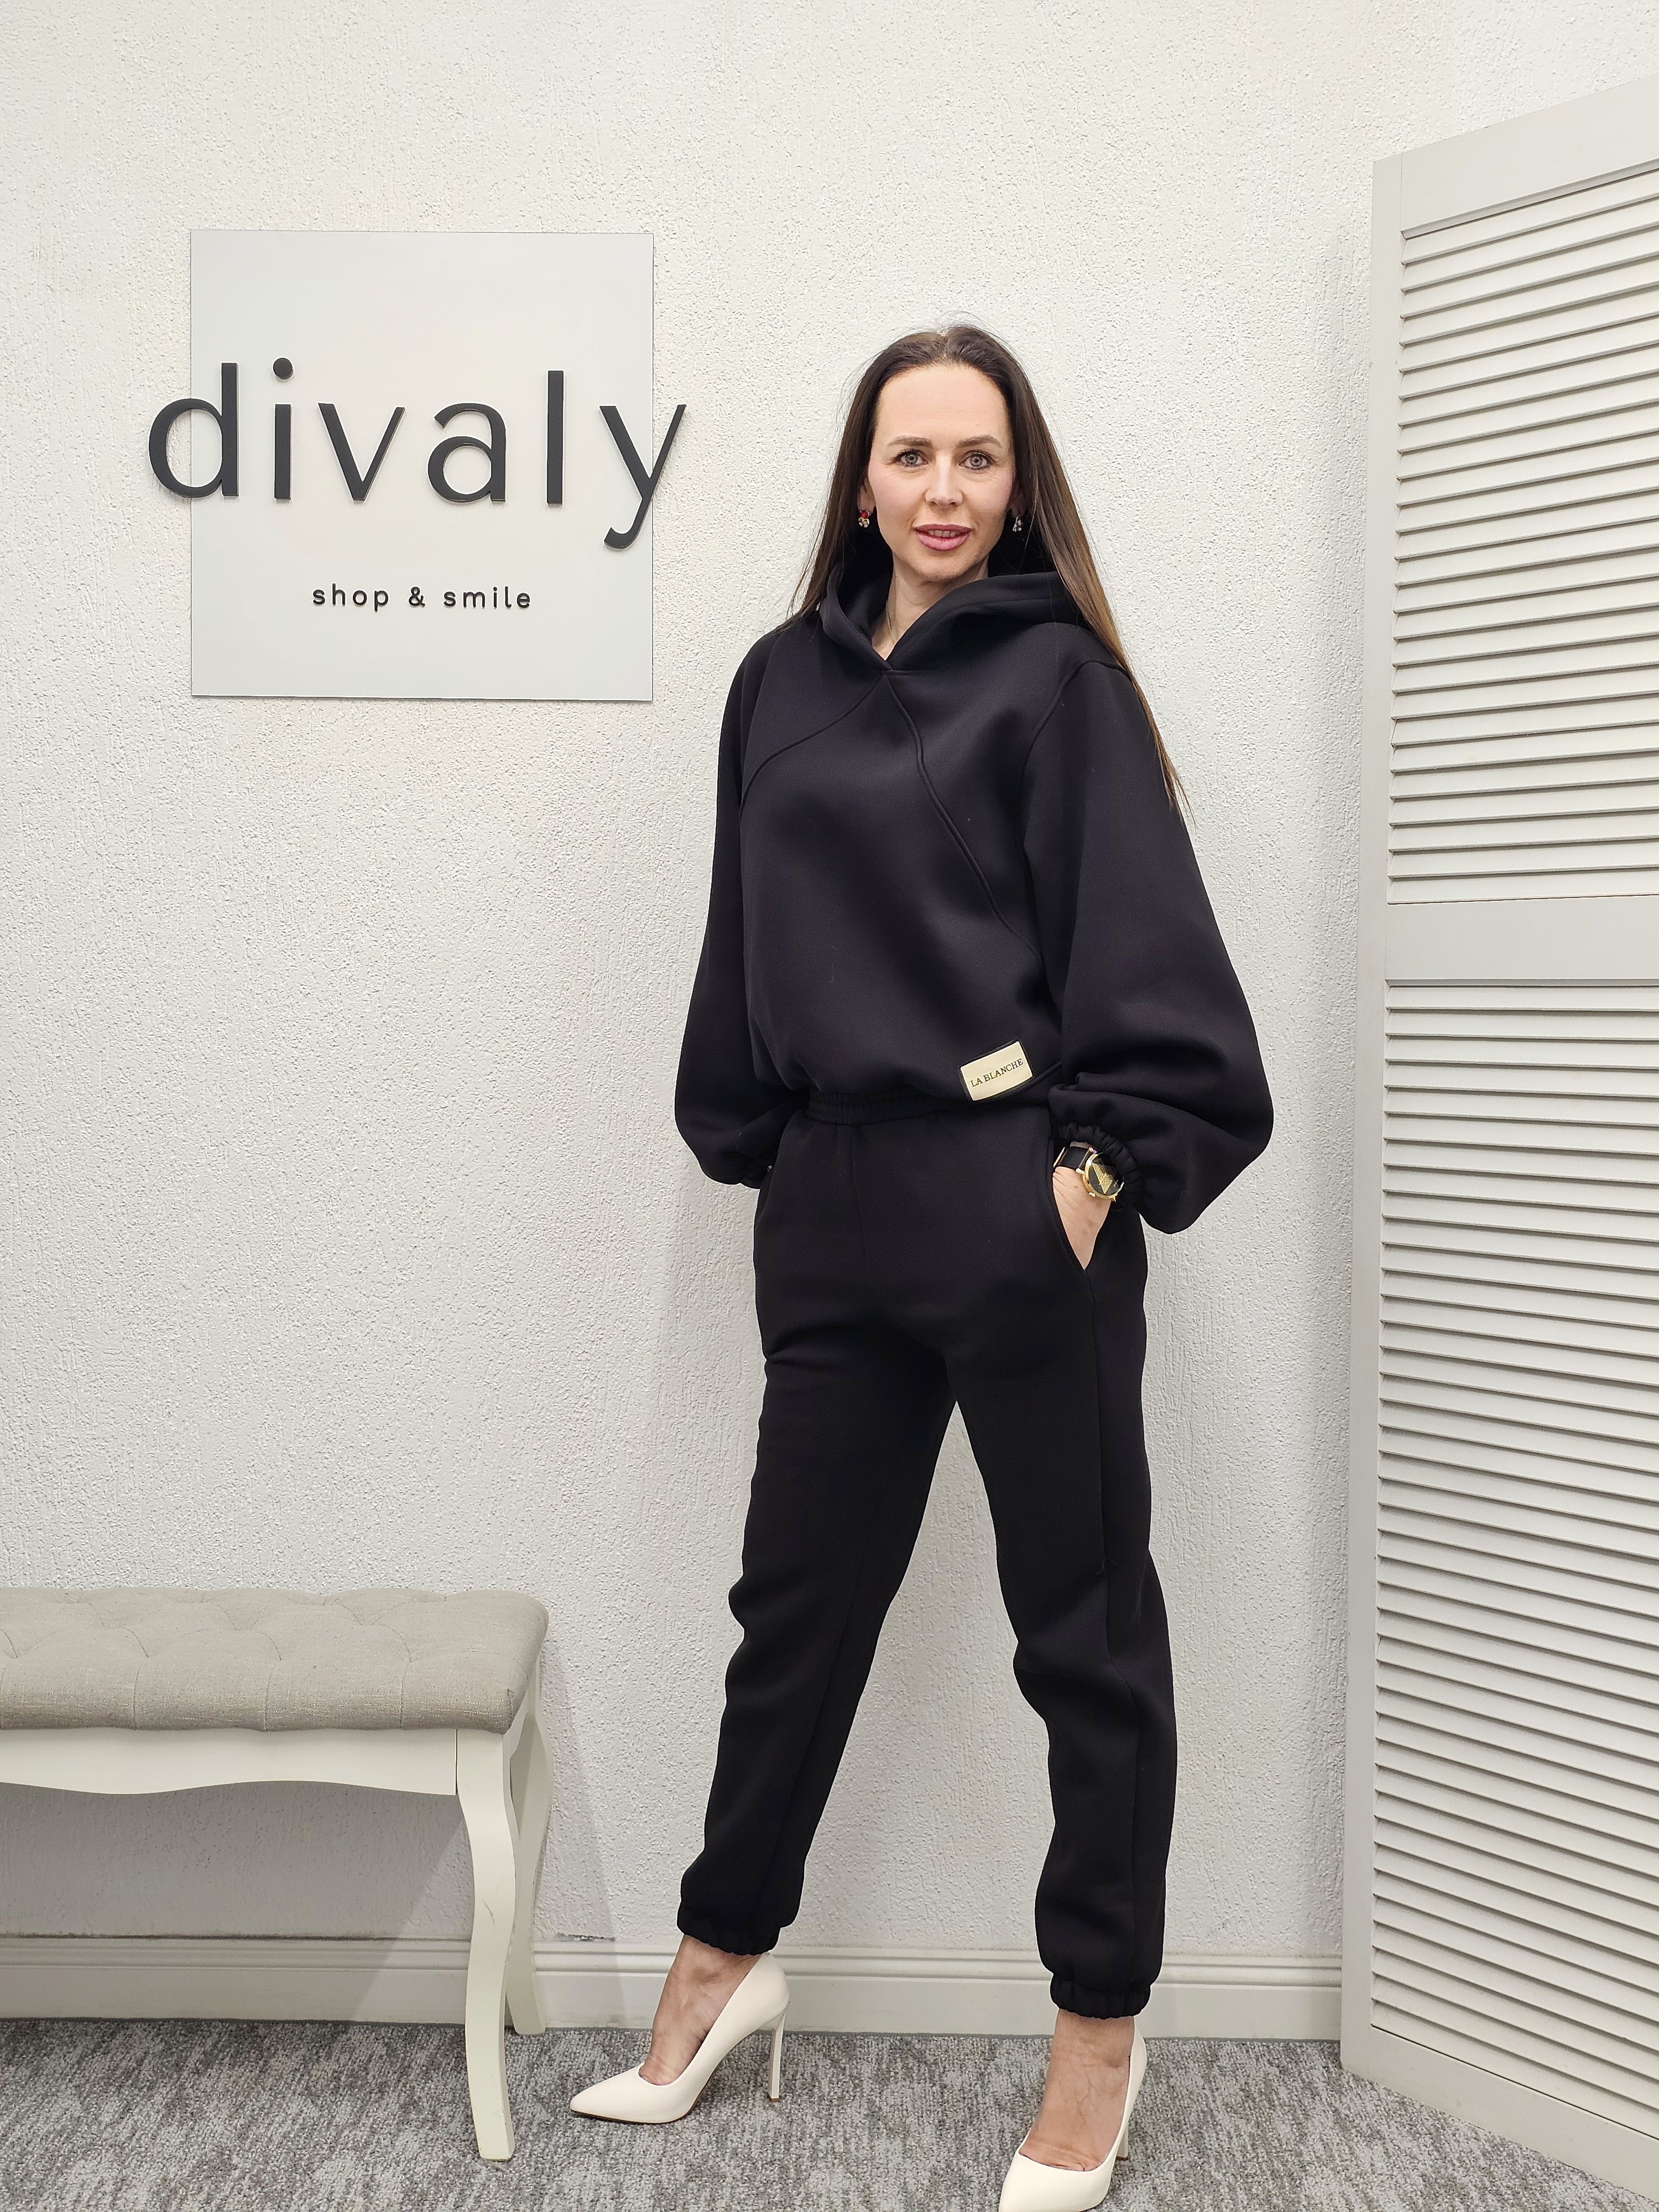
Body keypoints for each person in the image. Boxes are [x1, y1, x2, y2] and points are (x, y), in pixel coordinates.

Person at [571, 324, 1274, 2211]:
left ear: (1018, 482)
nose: (944, 491)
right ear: (860, 478)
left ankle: (1098, 2027)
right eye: (912, 456)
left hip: (1017, 1199)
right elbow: (741, 932)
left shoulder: (1061, 680)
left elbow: (1150, 951)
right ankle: (720, 1958)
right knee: (793, 1613)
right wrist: (760, 1141)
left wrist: (1092, 1173)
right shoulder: (776, 683)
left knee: (1083, 1636)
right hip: (833, 1202)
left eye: (978, 457)